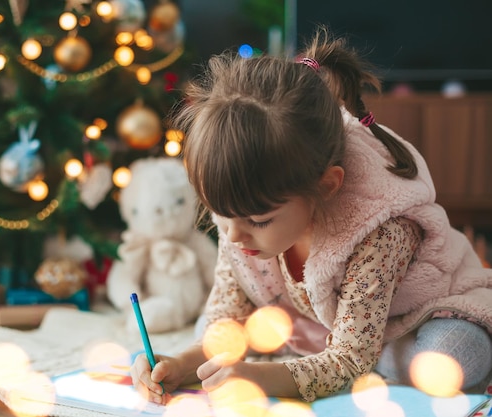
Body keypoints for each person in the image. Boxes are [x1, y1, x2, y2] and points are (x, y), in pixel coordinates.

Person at [130, 26, 492, 403]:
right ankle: (351, 359)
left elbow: (350, 360)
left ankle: (376, 359)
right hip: (331, 325)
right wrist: (180, 363)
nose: (233, 237)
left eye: (258, 221)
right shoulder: (243, 208)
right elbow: (227, 319)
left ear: (326, 187)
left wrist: (263, 377)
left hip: (426, 315)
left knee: (452, 357)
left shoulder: (379, 228)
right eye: (221, 216)